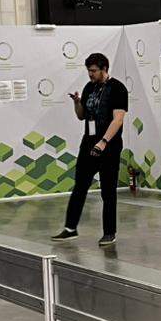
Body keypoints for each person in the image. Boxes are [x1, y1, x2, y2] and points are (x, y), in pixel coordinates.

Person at [52, 53, 127, 247]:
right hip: (88, 144)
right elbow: (82, 116)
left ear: (104, 69)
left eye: (93, 71)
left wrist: (103, 141)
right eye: (88, 71)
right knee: (80, 186)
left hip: (108, 147)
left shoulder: (117, 88)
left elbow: (118, 120)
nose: (90, 74)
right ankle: (70, 228)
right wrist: (77, 103)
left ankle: (109, 232)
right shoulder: (89, 87)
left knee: (108, 191)